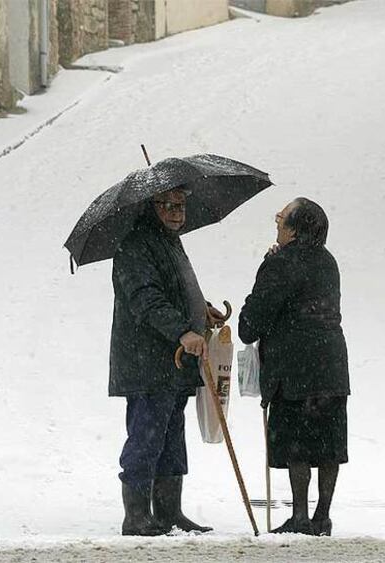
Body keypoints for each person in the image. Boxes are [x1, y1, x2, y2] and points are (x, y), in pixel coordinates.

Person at [110, 187, 224, 536]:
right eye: (169, 205)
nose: (178, 212)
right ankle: (136, 516)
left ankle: (169, 511)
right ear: (151, 206)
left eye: (182, 205)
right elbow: (146, 298)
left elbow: (174, 287)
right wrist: (182, 331)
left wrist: (200, 310)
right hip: (147, 362)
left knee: (172, 436)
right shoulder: (134, 246)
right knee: (146, 436)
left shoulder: (169, 241)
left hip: (173, 363)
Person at [238, 197, 350, 536]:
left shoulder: (281, 262)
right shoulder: (328, 262)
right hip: (331, 363)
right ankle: (322, 516)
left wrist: (266, 266)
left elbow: (251, 324)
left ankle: (300, 516)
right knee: (329, 441)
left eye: (281, 217)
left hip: (294, 368)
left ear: (295, 228)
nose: (277, 221)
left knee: (296, 441)